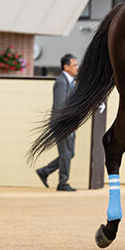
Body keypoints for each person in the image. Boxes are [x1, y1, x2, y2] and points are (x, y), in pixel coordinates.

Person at [36, 54, 79, 192]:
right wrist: (66, 123)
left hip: (67, 123)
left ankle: (45, 171)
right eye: (74, 65)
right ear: (66, 67)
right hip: (62, 124)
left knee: (69, 153)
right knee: (67, 153)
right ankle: (63, 182)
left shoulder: (70, 81)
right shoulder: (61, 81)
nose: (77, 68)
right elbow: (59, 104)